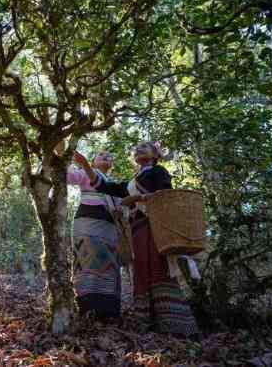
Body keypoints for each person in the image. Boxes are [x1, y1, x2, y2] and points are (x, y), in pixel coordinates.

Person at [73, 141, 200, 338]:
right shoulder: (132, 182)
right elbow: (105, 186)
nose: (139, 149)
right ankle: (146, 320)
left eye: (145, 146)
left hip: (156, 227)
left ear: (155, 154)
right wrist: (85, 165)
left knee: (158, 267)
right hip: (138, 229)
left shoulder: (159, 172)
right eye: (137, 148)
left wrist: (136, 200)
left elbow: (166, 196)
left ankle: (174, 325)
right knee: (142, 269)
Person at [61, 145, 122, 320]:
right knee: (86, 260)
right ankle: (86, 306)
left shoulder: (113, 184)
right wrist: (61, 151)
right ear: (93, 161)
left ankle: (108, 309)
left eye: (109, 156)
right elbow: (67, 175)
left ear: (111, 165)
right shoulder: (85, 174)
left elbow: (121, 208)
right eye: (101, 155)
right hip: (87, 223)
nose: (105, 157)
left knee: (109, 264)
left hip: (109, 229)